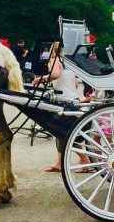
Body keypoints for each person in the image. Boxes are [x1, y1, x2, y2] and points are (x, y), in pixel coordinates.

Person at [32, 41, 90, 172]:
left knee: (64, 132)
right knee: (59, 132)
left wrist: (41, 78)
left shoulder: (54, 59)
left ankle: (85, 159)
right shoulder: (69, 63)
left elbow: (56, 74)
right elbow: (74, 83)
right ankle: (59, 163)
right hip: (72, 98)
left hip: (64, 100)